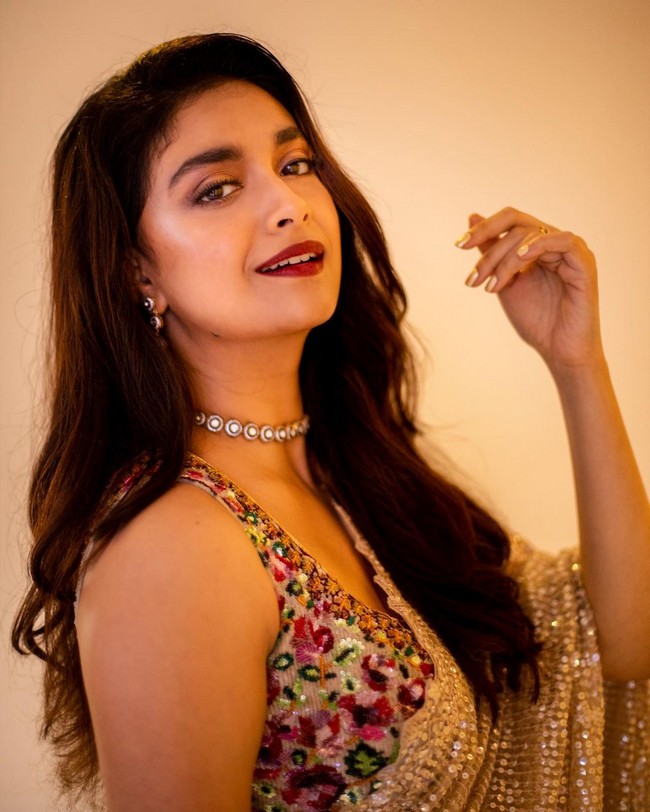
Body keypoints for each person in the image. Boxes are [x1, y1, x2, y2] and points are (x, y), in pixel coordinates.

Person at [11, 32, 649, 812]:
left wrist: (576, 363)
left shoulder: (356, 475)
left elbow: (616, 646)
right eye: (217, 188)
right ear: (136, 269)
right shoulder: (173, 546)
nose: (290, 204)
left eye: (295, 164)